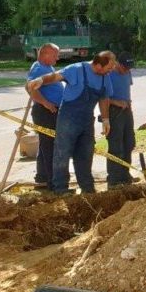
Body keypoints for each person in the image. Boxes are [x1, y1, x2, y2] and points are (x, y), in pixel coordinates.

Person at [27, 51, 116, 195]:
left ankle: (87, 188)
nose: (111, 70)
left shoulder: (105, 78)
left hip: (87, 121)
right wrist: (41, 80)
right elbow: (56, 76)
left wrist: (106, 119)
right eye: (109, 67)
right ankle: (61, 188)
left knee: (85, 154)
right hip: (68, 119)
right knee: (62, 153)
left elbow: (104, 98)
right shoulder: (76, 69)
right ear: (99, 65)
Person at [26, 43, 63, 189]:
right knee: (50, 147)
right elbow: (31, 87)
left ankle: (42, 177)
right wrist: (45, 103)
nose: (57, 58)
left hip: (51, 111)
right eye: (55, 55)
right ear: (45, 54)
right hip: (45, 112)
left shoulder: (47, 67)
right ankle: (54, 182)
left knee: (45, 145)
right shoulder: (38, 68)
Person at [106, 52, 136, 188]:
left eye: (129, 68)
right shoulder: (108, 74)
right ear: (118, 63)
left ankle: (125, 175)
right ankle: (114, 179)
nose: (127, 70)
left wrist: (128, 103)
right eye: (125, 67)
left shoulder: (127, 72)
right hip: (114, 111)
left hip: (127, 110)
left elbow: (127, 89)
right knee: (116, 146)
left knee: (129, 143)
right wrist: (116, 103)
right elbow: (102, 98)